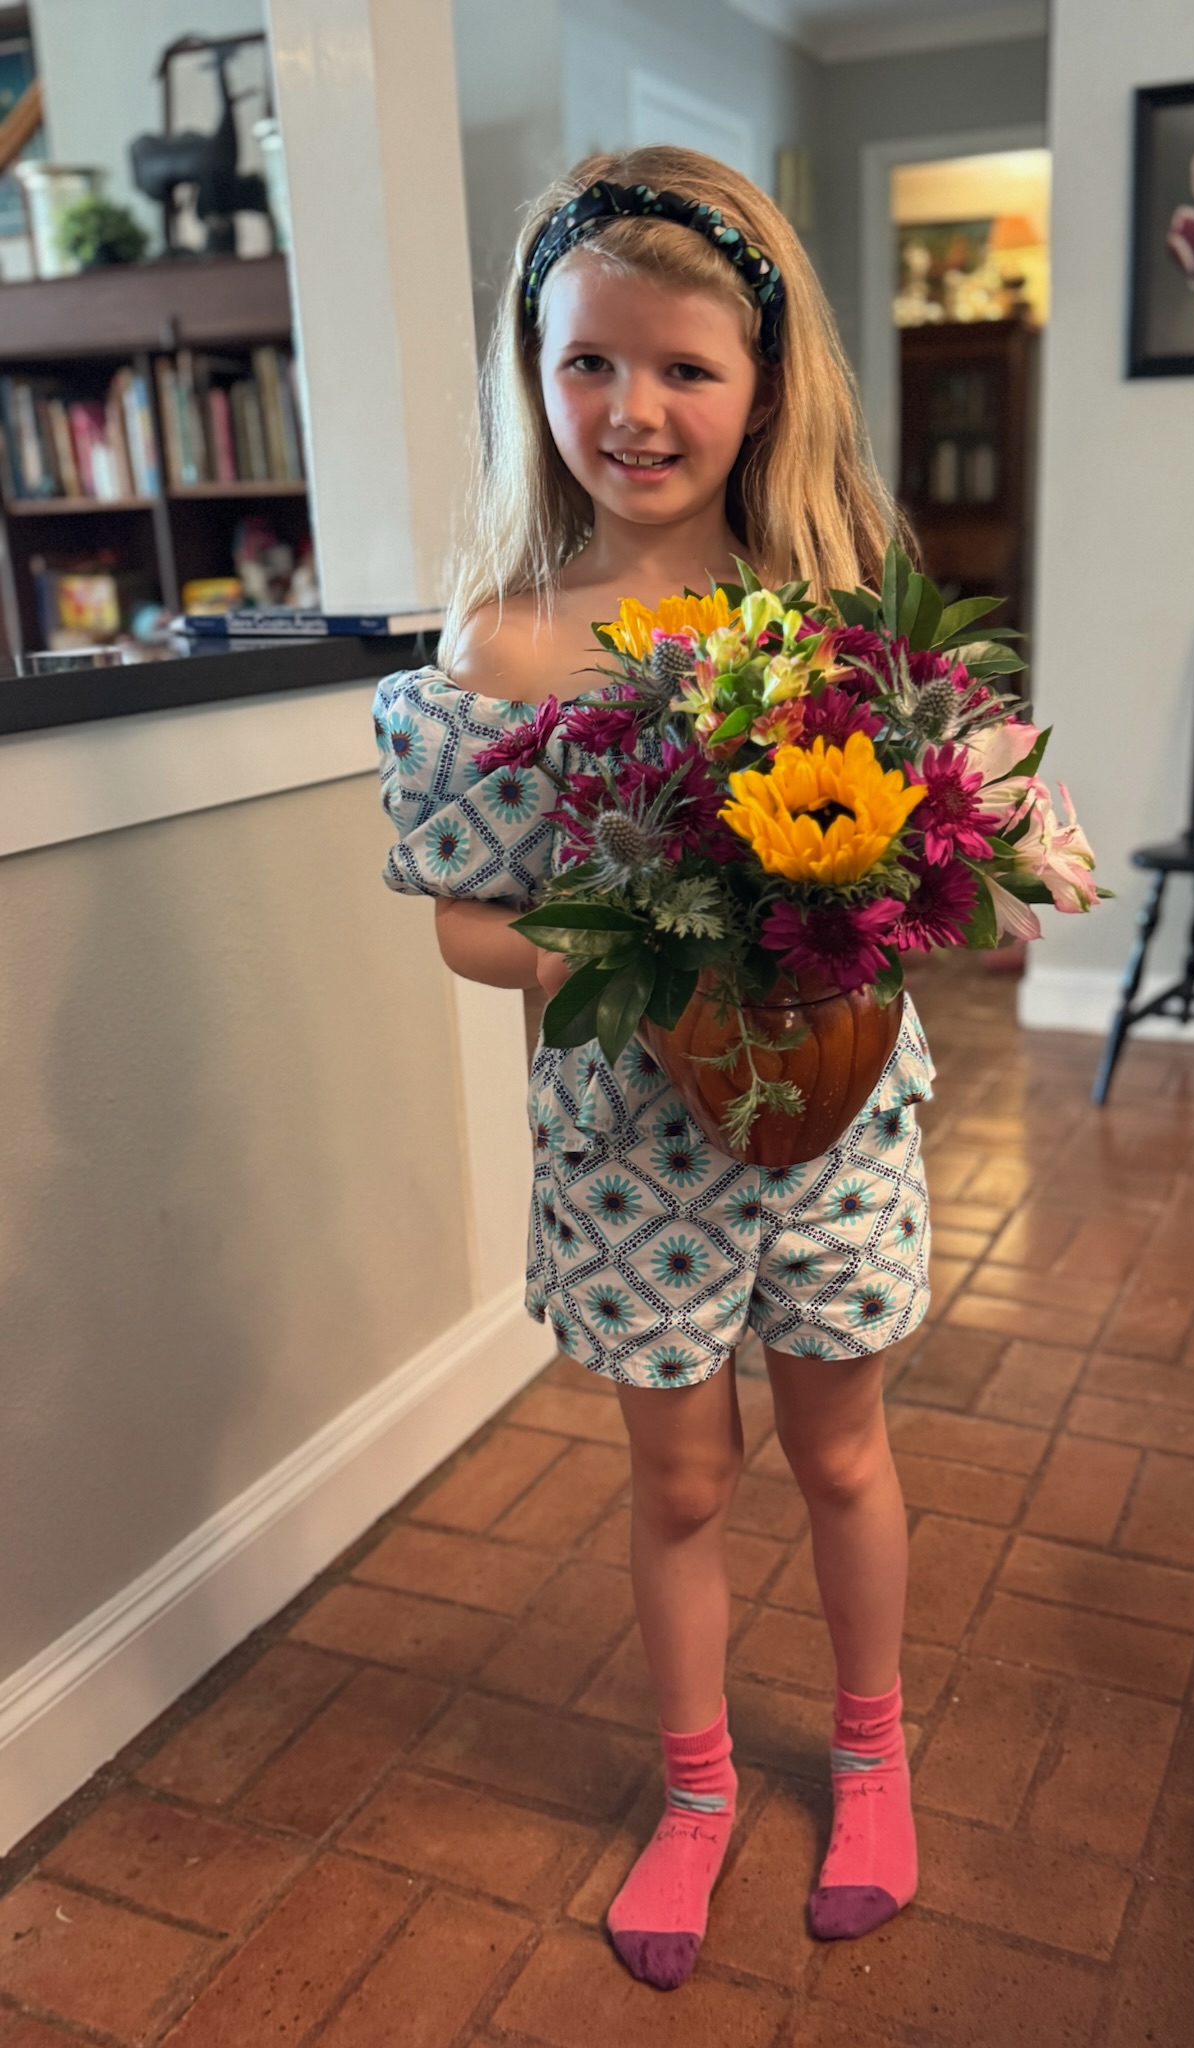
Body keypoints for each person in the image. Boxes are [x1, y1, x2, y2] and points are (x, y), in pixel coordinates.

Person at [372, 147, 932, 1992]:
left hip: (831, 1114)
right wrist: (661, 951)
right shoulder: (505, 643)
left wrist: (885, 901)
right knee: (679, 1482)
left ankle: (873, 1758)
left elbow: (933, 862)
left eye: (685, 367)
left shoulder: (834, 614)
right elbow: (468, 924)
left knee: (840, 1452)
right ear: (532, 376)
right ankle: (696, 1792)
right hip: (624, 1138)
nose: (634, 409)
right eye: (588, 363)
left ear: (765, 385)